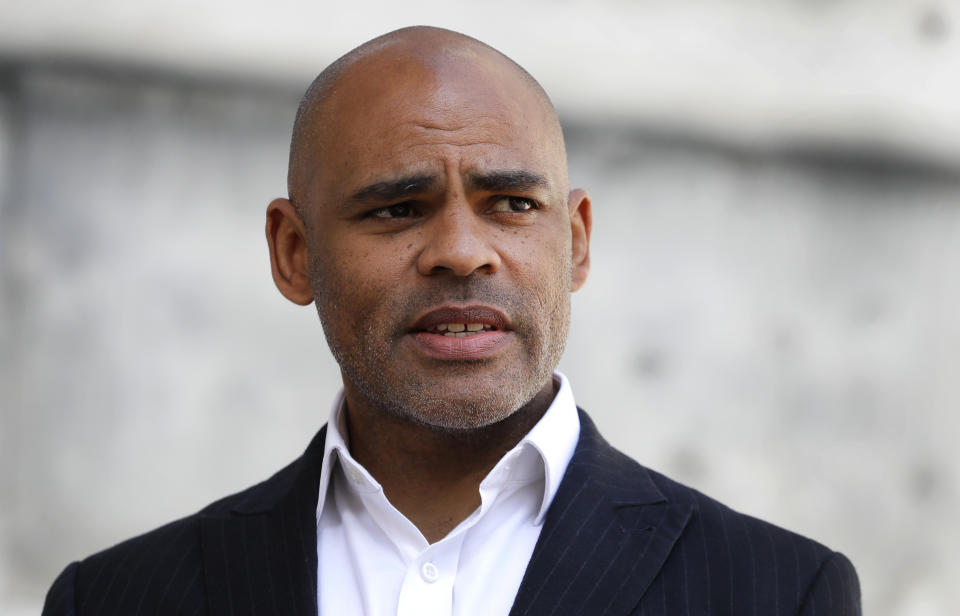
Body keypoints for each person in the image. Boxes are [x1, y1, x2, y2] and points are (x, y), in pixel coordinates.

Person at [42, 26, 861, 615]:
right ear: (294, 253)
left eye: (511, 204)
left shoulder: (778, 591)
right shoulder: (118, 597)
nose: (462, 252)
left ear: (574, 243)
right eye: (399, 208)